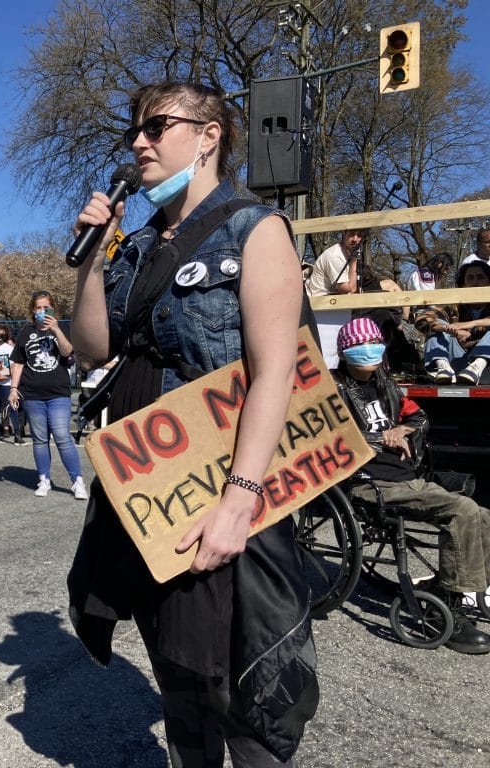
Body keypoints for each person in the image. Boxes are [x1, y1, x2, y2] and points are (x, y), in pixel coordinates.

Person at [67, 83, 316, 766]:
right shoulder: (141, 242)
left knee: (245, 682)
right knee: (178, 670)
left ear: (208, 134)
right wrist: (91, 258)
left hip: (224, 487)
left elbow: (276, 372)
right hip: (148, 486)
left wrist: (241, 499)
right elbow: (94, 346)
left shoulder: (255, 227)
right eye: (133, 133)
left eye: (157, 126)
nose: (139, 143)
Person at [331, 317, 490, 654]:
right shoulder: (333, 390)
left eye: (374, 342)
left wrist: (402, 430)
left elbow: (419, 417)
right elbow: (329, 438)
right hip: (368, 482)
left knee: (483, 515)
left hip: (407, 476)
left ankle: (457, 586)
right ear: (344, 352)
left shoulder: (388, 385)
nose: (369, 350)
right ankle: (448, 604)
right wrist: (379, 437)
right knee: (462, 511)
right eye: (359, 345)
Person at [8, 291, 86, 499]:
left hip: (58, 392)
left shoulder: (63, 328)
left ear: (53, 309)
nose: (42, 311)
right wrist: (13, 389)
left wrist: (56, 330)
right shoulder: (26, 332)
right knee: (40, 439)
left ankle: (77, 480)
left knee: (62, 435)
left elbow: (67, 352)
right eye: (38, 308)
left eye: (46, 307)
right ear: (33, 311)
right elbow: (18, 362)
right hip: (32, 394)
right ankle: (44, 478)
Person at [418, 259, 490, 385]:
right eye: (470, 278)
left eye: (480, 277)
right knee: (436, 324)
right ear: (463, 284)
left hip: (486, 368)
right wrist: (448, 329)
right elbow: (422, 319)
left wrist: (468, 325)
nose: (475, 282)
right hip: (457, 363)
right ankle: (443, 367)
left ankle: (477, 366)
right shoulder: (454, 305)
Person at [305, 228, 366, 297]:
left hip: (336, 299)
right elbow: (348, 289)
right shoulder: (335, 256)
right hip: (322, 301)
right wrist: (354, 261)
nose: (355, 239)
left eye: (359, 235)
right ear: (344, 234)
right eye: (351, 234)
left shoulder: (348, 254)